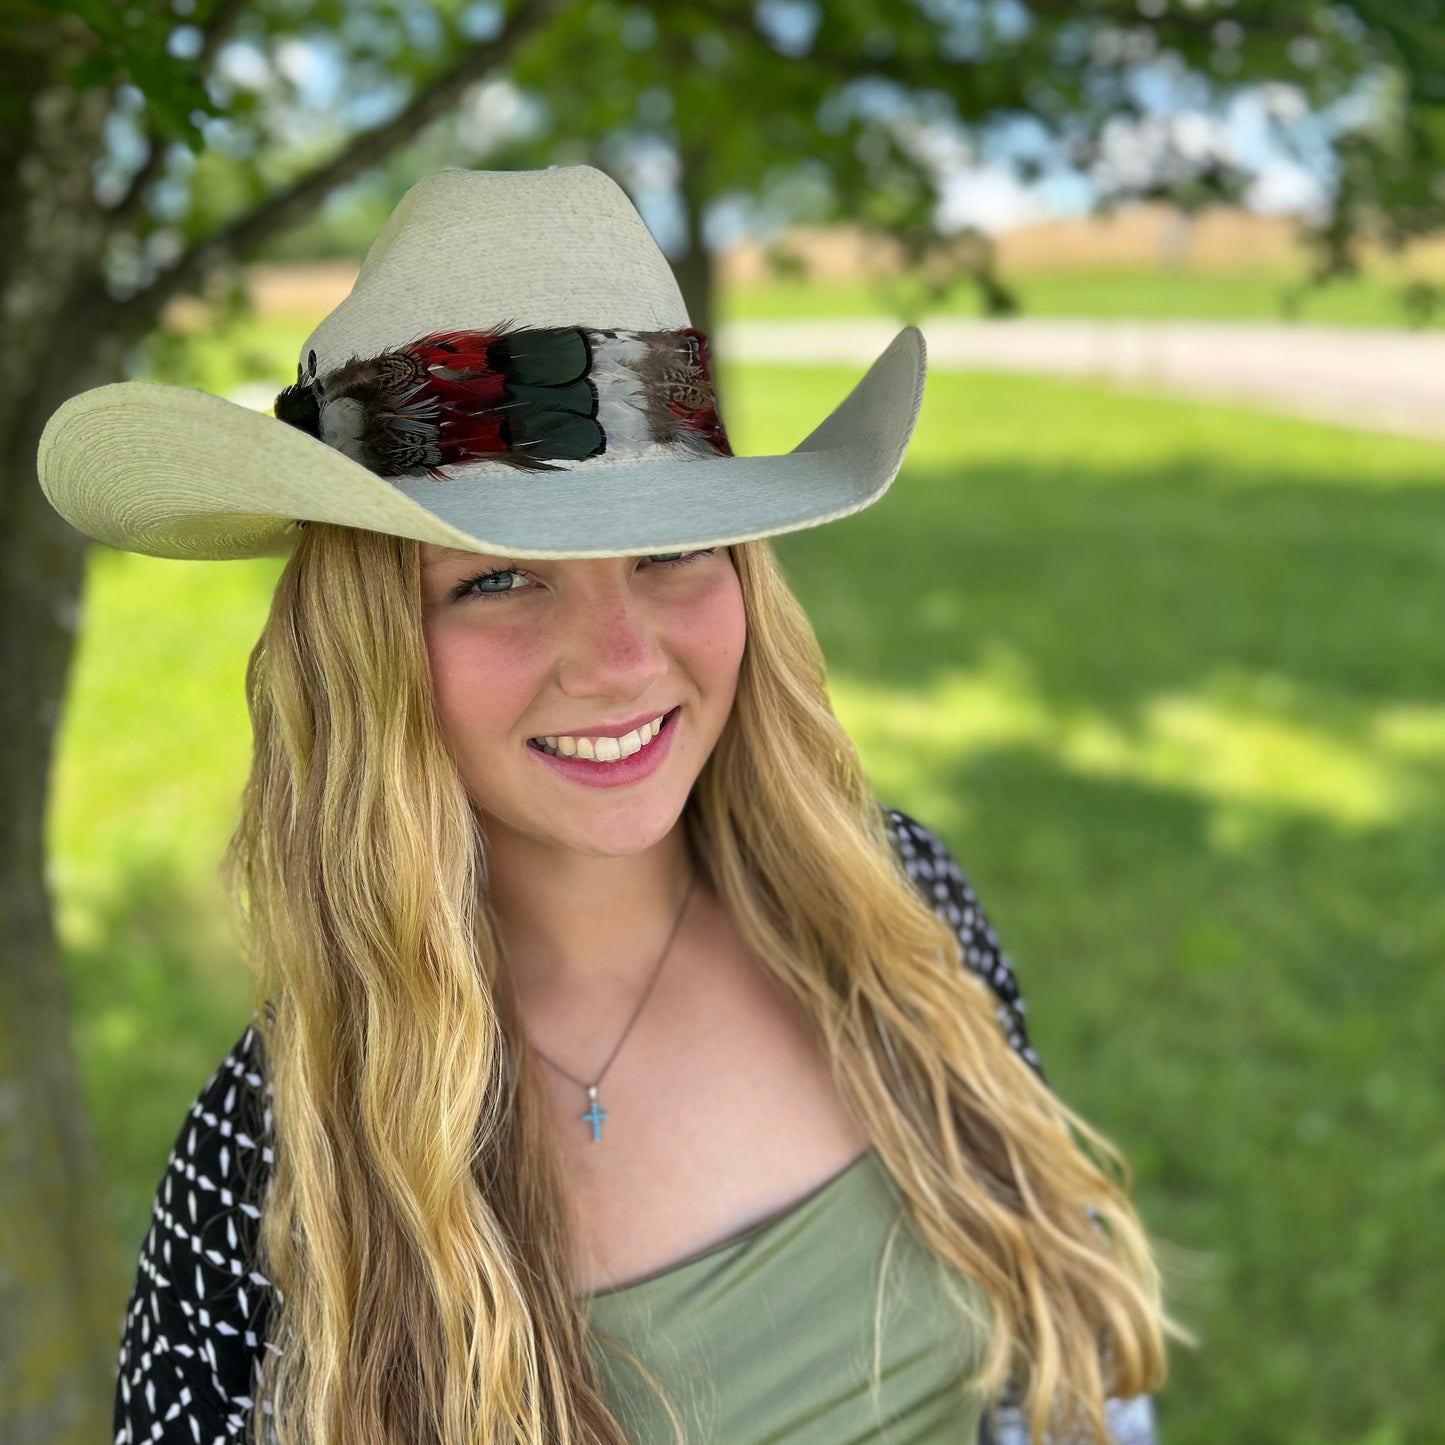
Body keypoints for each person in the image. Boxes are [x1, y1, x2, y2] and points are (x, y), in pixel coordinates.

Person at [39, 166, 1188, 1445]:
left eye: (668, 549)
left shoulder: (893, 899)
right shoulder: (271, 1168)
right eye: (499, 580)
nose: (622, 658)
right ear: (361, 652)